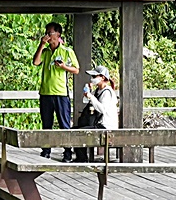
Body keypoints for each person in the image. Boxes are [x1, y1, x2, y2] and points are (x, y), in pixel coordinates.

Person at [32, 21, 79, 158]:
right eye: (46, 33)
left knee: (64, 124)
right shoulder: (46, 51)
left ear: (58, 34)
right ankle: (46, 151)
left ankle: (68, 152)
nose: (48, 36)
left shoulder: (66, 51)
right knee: (47, 124)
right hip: (45, 93)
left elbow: (76, 69)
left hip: (61, 93)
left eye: (50, 33)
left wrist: (64, 67)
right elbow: (36, 62)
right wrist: (41, 44)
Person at [71, 67, 119, 162]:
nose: (92, 78)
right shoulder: (97, 90)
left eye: (94, 76)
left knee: (78, 133)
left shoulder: (107, 92)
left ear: (102, 77)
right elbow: (86, 101)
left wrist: (91, 97)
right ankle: (81, 158)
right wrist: (88, 93)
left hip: (106, 127)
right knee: (75, 130)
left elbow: (102, 109)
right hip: (98, 124)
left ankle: (82, 159)